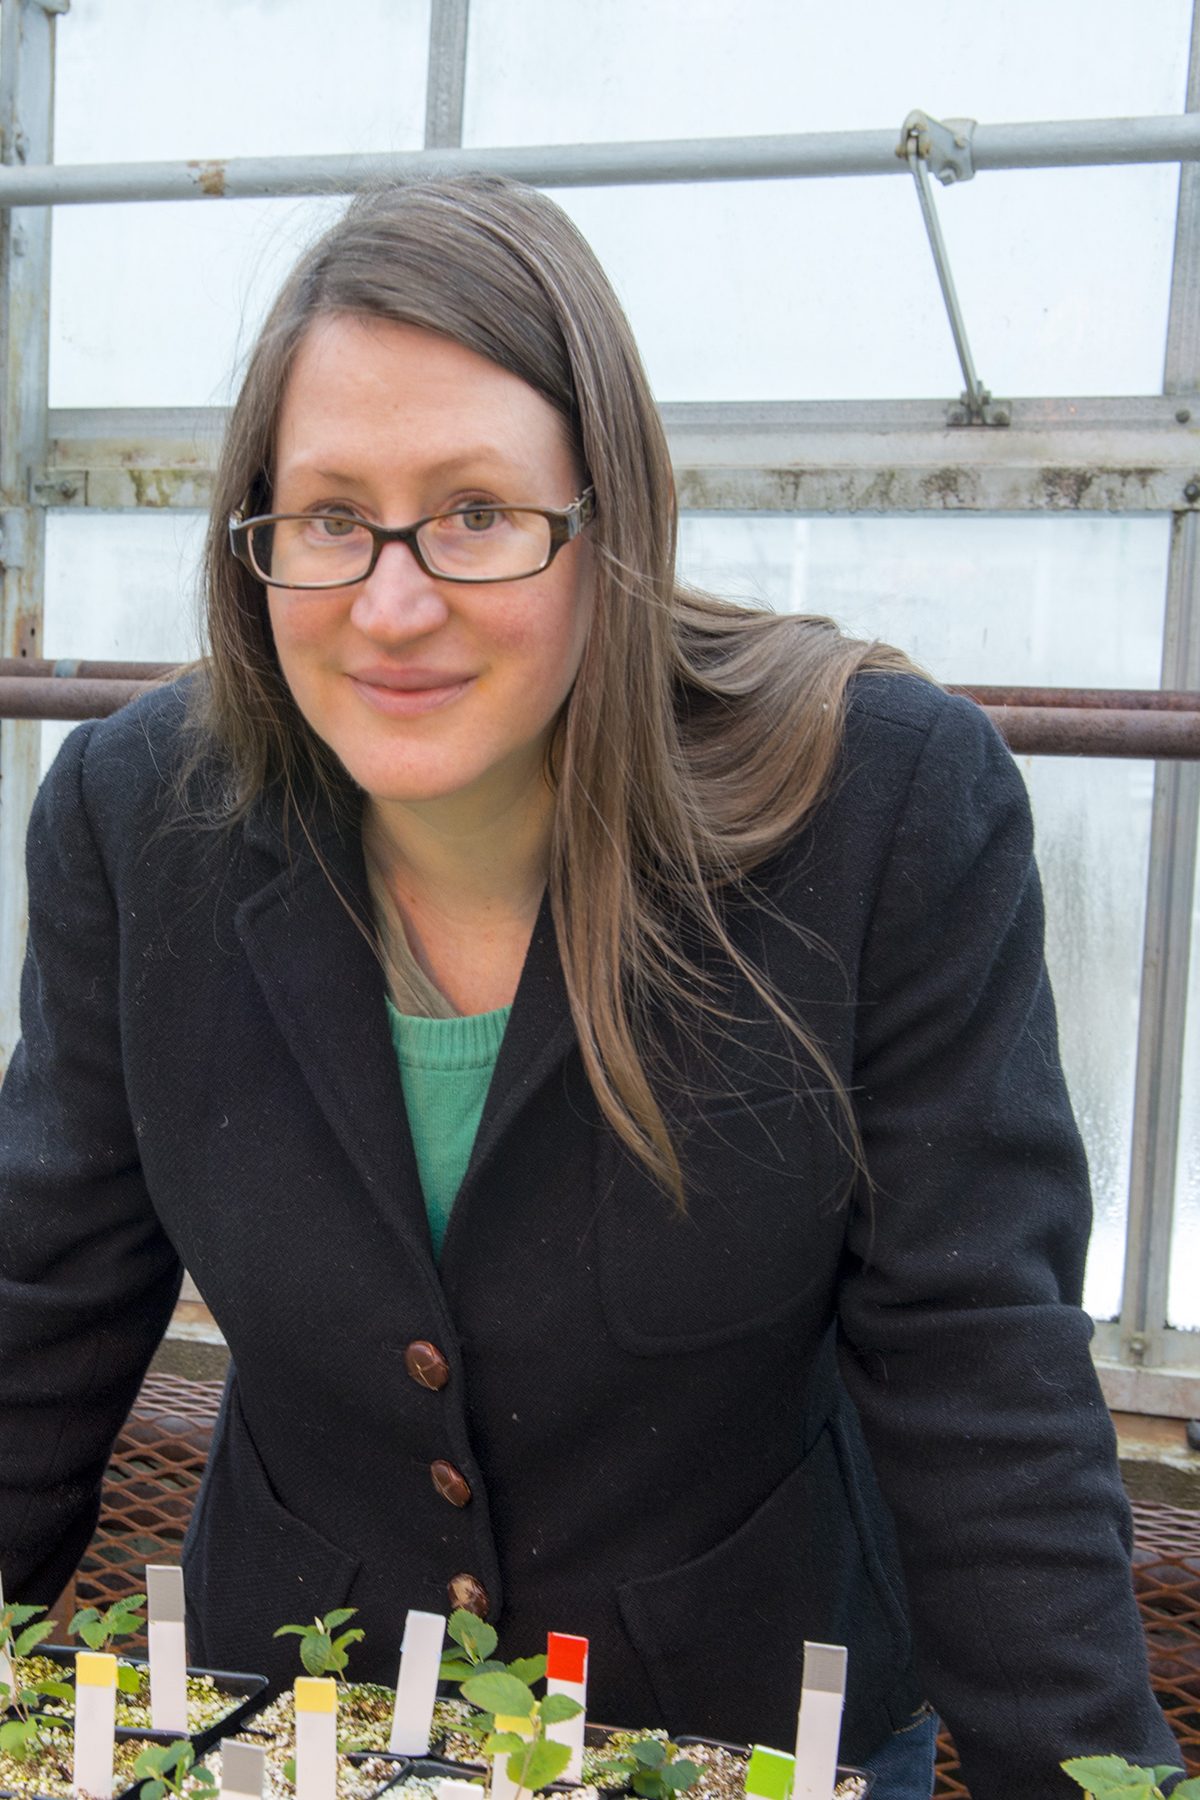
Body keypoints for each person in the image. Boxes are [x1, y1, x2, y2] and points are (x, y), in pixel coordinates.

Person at [0, 175, 1181, 1800]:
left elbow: (982, 1374)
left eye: (477, 513)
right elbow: (41, 1310)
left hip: (753, 1730)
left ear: (607, 519)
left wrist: (1089, 1778)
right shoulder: (143, 827)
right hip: (300, 1721)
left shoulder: (879, 811)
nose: (392, 602)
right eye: (332, 515)